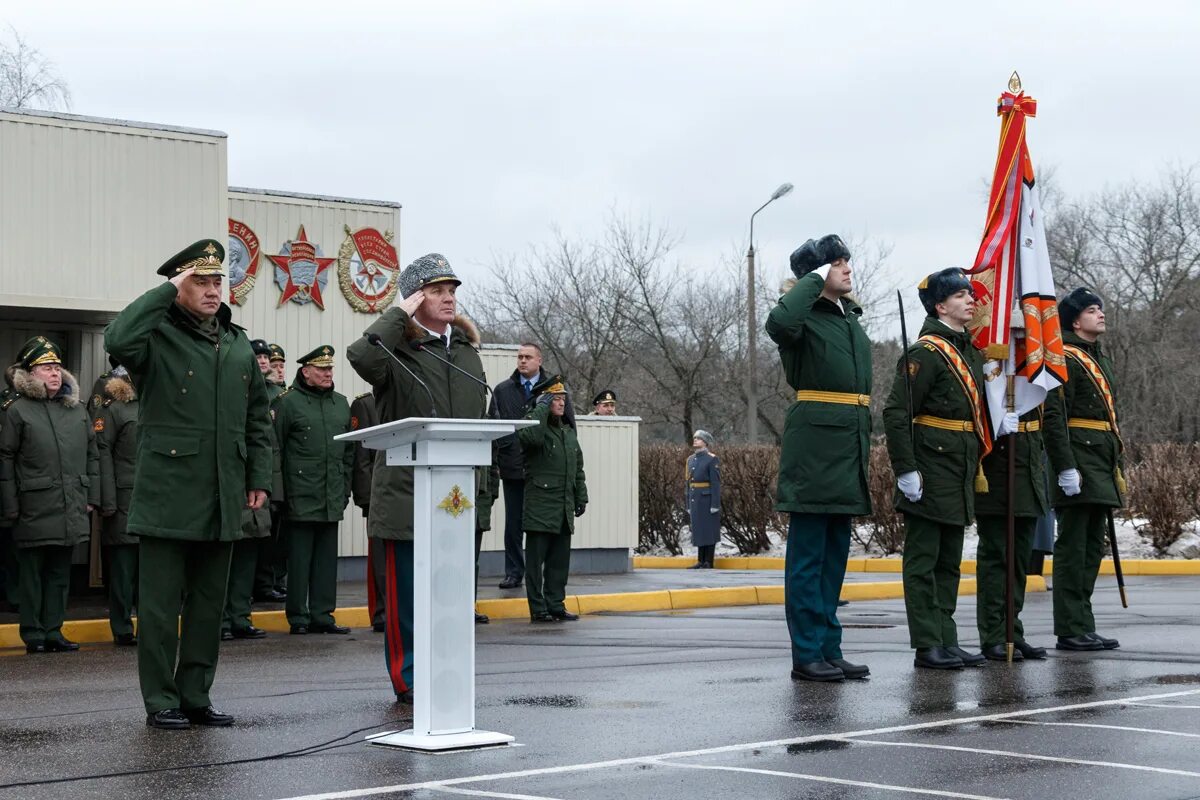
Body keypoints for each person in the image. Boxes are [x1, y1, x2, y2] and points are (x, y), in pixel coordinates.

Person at [105, 239, 273, 729]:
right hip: (168, 492)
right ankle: (161, 700)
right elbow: (117, 338)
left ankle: (196, 694)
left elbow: (257, 417)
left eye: (218, 280)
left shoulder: (237, 342)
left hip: (222, 492)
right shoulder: (155, 338)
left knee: (207, 607)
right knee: (158, 609)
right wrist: (166, 291)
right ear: (179, 285)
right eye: (200, 280)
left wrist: (258, 476)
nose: (212, 289)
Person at [346, 252, 488, 704]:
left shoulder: (466, 352)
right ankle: (408, 676)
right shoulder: (394, 349)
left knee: (448, 590)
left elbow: (478, 422)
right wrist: (397, 314)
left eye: (451, 292)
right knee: (406, 597)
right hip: (406, 494)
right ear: (413, 298)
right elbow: (360, 357)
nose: (448, 299)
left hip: (456, 495)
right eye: (435, 291)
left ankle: (446, 667)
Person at [765, 235, 873, 683]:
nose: (847, 270)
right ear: (815, 275)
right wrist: (811, 275)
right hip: (815, 446)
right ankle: (806, 651)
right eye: (837, 264)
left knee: (834, 558)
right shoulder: (800, 316)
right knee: (809, 559)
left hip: (848, 445)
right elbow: (778, 323)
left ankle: (829, 647)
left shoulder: (848, 320)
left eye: (848, 262)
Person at [883, 268, 990, 671]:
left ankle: (946, 637)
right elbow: (896, 412)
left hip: (958, 465)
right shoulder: (925, 352)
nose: (971, 301)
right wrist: (906, 469)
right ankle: (927, 643)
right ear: (941, 305)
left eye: (970, 294)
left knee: (948, 560)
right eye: (961, 295)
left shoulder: (967, 351)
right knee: (924, 560)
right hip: (930, 465)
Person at [0, 337, 100, 654]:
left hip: (70, 505)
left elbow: (92, 455)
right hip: (32, 505)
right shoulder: (16, 411)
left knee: (59, 573)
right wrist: (10, 506)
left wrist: (90, 496)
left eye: (57, 367)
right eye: (46, 368)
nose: (54, 373)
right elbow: (5, 459)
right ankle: (33, 633)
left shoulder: (77, 411)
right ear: (30, 373)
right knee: (31, 574)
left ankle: (54, 630)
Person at [1043, 287, 1124, 652]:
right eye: (1093, 310)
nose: (1100, 315)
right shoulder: (1066, 357)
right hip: (1079, 459)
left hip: (1100, 460)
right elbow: (1055, 417)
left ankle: (1084, 624)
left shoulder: (1098, 357)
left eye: (1100, 309)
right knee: (1073, 548)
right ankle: (1070, 627)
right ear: (1076, 321)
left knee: (1092, 547)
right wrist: (1065, 466)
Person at [274, 345, 353, 635]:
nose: (327, 374)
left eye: (330, 369)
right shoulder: (288, 403)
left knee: (325, 562)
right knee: (299, 561)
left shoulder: (341, 404)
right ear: (306, 372)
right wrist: (279, 495)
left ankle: (322, 615)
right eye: (321, 369)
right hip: (299, 496)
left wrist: (344, 491)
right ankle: (298, 617)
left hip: (331, 495)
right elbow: (276, 451)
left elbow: (349, 454)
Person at [488, 342, 575, 590]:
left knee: (543, 525)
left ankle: (544, 574)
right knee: (513, 523)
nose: (522, 361)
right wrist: (496, 462)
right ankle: (514, 571)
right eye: (519, 357)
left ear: (539, 360)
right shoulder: (502, 390)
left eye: (528, 357)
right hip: (513, 466)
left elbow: (568, 428)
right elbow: (493, 427)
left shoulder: (554, 389)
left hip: (544, 469)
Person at [973, 403, 1050, 662]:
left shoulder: (1030, 372)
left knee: (1018, 562)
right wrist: (994, 424)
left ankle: (1012, 631)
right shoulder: (991, 366)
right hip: (997, 472)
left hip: (1027, 472)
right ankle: (994, 634)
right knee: (997, 560)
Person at [518, 375, 587, 623]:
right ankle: (538, 608)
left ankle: (556, 603)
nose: (560, 403)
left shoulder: (567, 432)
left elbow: (577, 468)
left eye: (562, 398)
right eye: (555, 398)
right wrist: (542, 407)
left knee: (559, 562)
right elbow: (532, 438)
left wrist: (581, 496)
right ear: (544, 400)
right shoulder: (532, 424)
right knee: (536, 564)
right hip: (540, 505)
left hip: (562, 507)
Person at [94, 364, 140, 646]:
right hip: (124, 500)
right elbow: (102, 455)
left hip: (158, 501)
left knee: (155, 574)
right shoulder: (115, 408)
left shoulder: (159, 403)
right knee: (123, 572)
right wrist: (107, 501)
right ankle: (122, 628)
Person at [349, 390, 386, 632]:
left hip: (409, 492)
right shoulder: (365, 405)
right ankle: (382, 612)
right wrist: (366, 499)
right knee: (380, 559)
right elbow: (361, 459)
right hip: (378, 496)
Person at [256, 341, 290, 602]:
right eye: (260, 357)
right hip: (257, 476)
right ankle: (260, 585)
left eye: (266, 357)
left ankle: (270, 582)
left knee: (272, 538)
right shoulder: (258, 393)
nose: (265, 362)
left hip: (274, 475)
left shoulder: (278, 394)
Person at [686, 430, 721, 569]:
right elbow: (688, 483)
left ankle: (708, 560)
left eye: (699, 439)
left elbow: (716, 483)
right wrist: (687, 501)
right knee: (699, 529)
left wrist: (715, 503)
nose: (695, 440)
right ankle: (700, 560)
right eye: (694, 438)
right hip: (696, 498)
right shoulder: (691, 460)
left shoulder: (712, 459)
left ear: (705, 442)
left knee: (709, 530)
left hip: (707, 499)